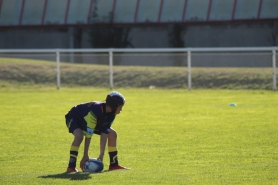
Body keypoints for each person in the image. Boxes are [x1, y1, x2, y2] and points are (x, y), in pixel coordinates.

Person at [65, 91, 130, 172]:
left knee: (112, 134)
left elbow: (104, 133)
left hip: (90, 120)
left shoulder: (112, 114)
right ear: (114, 106)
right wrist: (85, 155)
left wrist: (101, 155)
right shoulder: (94, 112)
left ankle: (114, 165)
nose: (121, 110)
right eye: (120, 107)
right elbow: (89, 135)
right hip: (74, 117)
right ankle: (71, 167)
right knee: (79, 136)